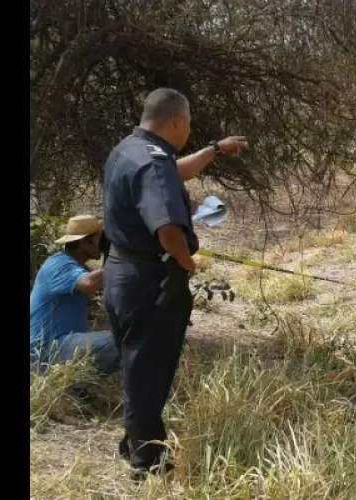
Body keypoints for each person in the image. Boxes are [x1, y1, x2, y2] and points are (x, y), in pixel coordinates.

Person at [102, 87, 246, 477]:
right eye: (189, 125)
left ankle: (132, 439)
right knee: (150, 368)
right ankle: (147, 462)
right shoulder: (152, 164)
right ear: (178, 121)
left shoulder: (130, 149)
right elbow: (166, 227)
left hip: (120, 271)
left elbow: (172, 169)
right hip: (150, 280)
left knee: (135, 363)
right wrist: (187, 261)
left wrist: (215, 149)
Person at [30, 215, 119, 375]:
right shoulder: (59, 264)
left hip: (58, 346)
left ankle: (80, 389)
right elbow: (89, 284)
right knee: (121, 342)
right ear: (85, 242)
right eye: (102, 238)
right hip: (47, 350)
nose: (105, 243)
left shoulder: (74, 266)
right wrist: (123, 260)